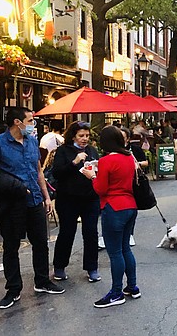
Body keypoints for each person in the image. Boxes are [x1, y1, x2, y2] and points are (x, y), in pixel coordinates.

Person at [0, 107, 64, 309]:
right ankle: (13, 289)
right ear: (17, 122)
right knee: (11, 246)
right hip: (12, 202)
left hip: (34, 199)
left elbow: (38, 171)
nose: (32, 124)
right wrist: (9, 185)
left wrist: (46, 197)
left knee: (41, 243)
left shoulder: (32, 142)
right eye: (30, 120)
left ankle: (42, 281)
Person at [81, 126, 139, 308]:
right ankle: (132, 286)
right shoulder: (129, 157)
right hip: (130, 205)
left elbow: (101, 189)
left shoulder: (106, 161)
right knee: (125, 249)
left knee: (114, 253)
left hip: (113, 207)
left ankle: (116, 292)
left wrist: (92, 176)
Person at [51, 121, 101, 282]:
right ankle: (59, 266)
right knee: (67, 232)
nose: (84, 139)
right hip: (68, 198)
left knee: (91, 233)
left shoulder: (92, 150)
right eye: (81, 136)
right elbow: (57, 173)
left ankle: (92, 268)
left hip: (90, 197)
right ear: (73, 136)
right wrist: (74, 162)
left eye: (87, 136)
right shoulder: (63, 151)